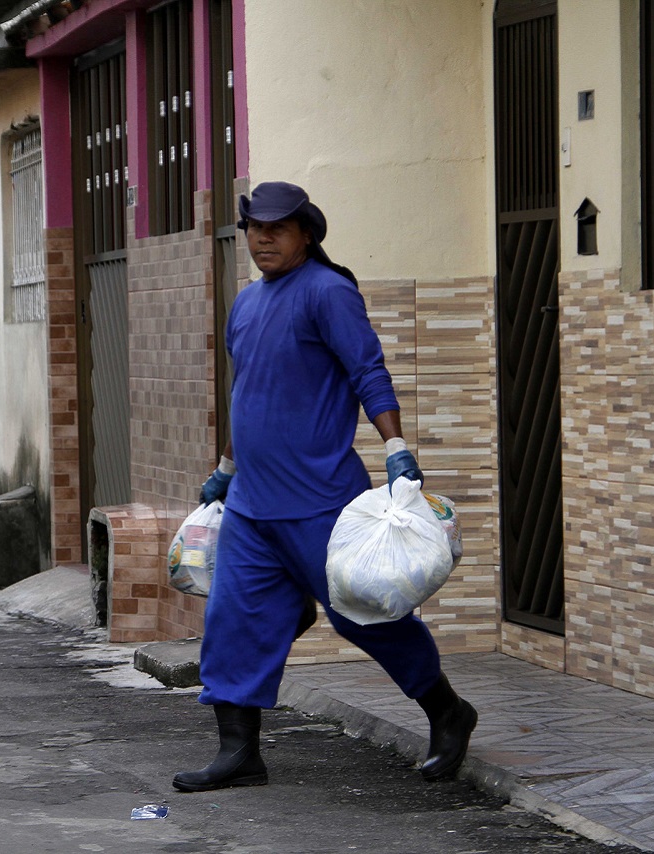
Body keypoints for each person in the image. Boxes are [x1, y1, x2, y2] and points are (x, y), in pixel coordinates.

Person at [173, 182, 477, 793]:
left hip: (321, 504)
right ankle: (239, 753)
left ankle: (448, 712)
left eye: (278, 228)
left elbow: (368, 369)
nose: (263, 238)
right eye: (254, 228)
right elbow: (248, 394)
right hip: (253, 507)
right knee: (234, 621)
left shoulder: (329, 292)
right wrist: (227, 471)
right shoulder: (247, 304)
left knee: (365, 616)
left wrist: (396, 448)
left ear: (306, 233)